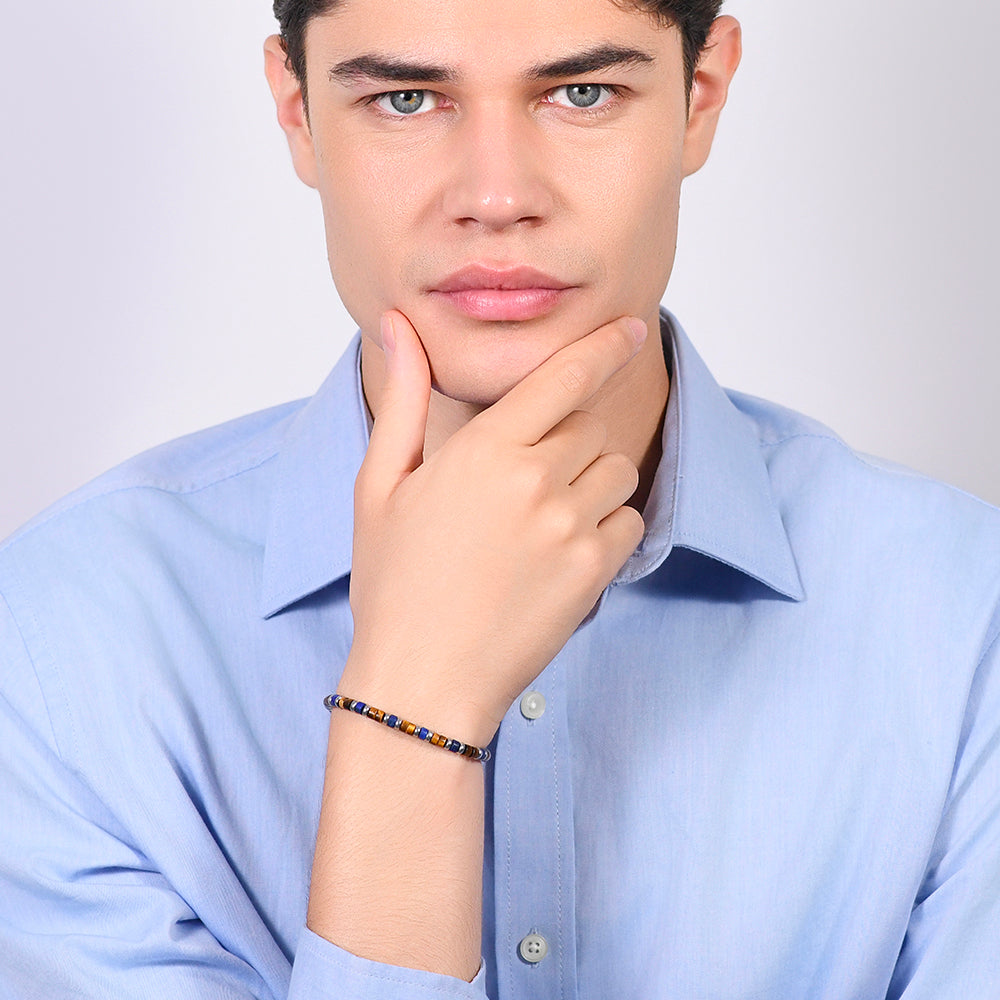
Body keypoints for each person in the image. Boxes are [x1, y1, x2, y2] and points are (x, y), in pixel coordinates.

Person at [1, 0, 998, 998]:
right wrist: (410, 713)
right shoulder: (57, 640)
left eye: (581, 92)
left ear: (700, 97)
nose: (496, 195)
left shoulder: (963, 618)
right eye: (404, 97)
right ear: (298, 111)